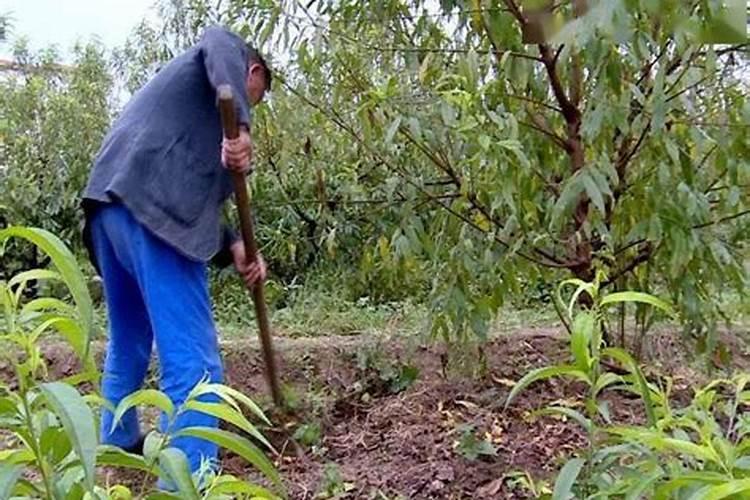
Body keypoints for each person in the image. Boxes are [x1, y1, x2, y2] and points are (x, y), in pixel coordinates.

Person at [80, 25, 271, 479]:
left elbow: (203, 202)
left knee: (129, 342)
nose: (249, 111)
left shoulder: (187, 121)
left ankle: (118, 445)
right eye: (254, 96)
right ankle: (187, 480)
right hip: (153, 214)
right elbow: (220, 40)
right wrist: (242, 124)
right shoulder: (224, 54)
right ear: (254, 70)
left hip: (112, 208)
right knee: (195, 362)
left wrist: (236, 245)